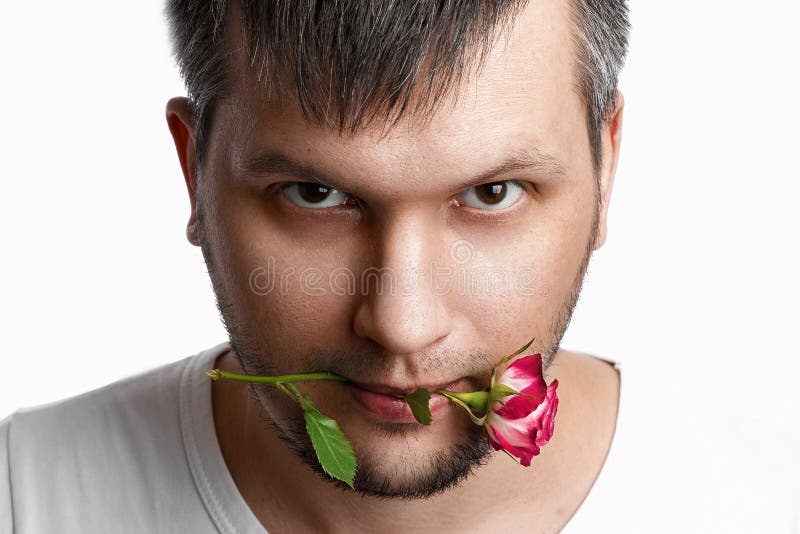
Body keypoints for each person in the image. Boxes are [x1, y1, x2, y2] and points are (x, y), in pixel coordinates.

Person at [1, 0, 631, 531]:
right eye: (315, 193)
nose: (401, 325)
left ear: (604, 172)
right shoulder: (22, 497)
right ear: (195, 172)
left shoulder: (730, 493)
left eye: (492, 193)